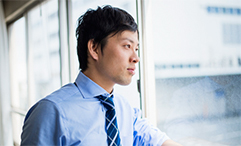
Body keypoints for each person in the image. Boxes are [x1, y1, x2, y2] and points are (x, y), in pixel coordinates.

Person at [21, 5, 182, 146]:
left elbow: (155, 140)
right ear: (94, 48)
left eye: (136, 49)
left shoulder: (123, 109)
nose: (135, 58)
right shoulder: (50, 112)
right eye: (127, 46)